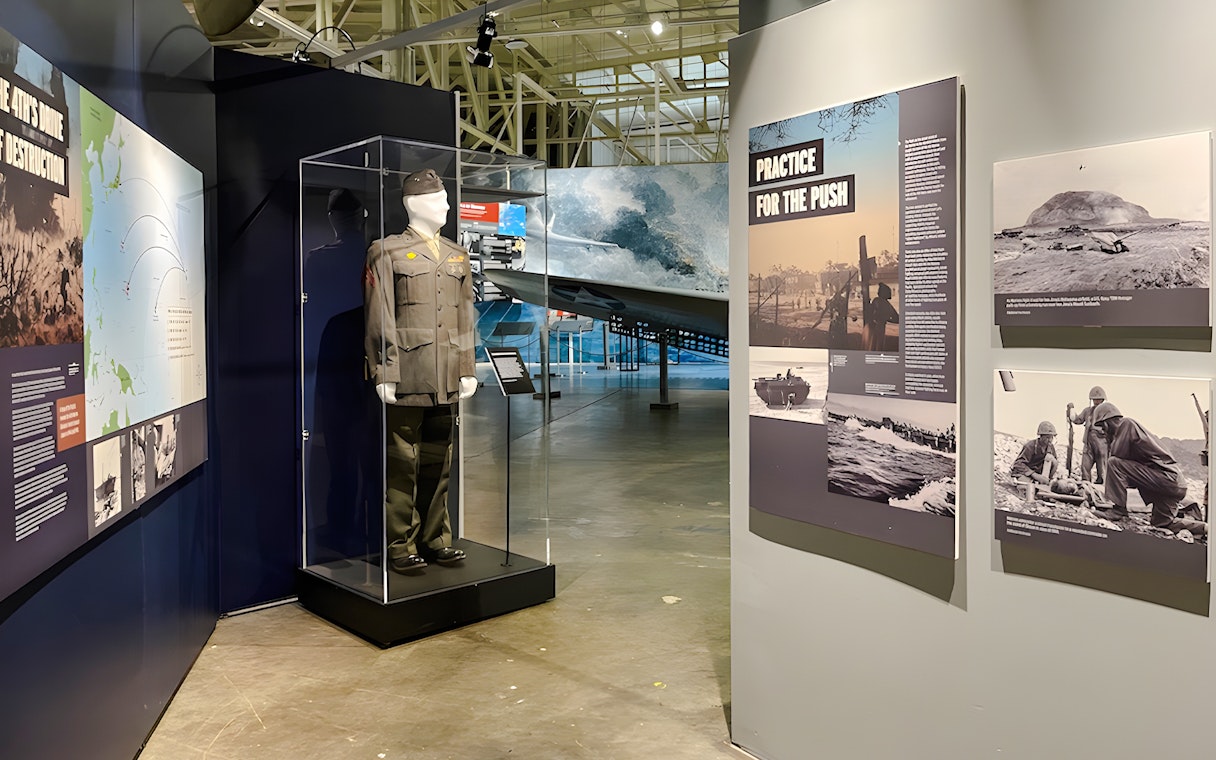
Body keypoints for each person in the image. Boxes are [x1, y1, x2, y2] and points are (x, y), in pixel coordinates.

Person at [364, 168, 477, 573]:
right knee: (402, 463)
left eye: (445, 198)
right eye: (437, 199)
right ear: (413, 204)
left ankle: (435, 540)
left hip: (446, 376)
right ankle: (399, 545)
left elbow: (466, 317)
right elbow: (381, 316)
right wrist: (383, 372)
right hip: (407, 374)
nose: (446, 205)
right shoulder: (387, 251)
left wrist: (467, 367)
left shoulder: (456, 254)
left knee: (439, 462)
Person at [1091, 401, 1207, 535]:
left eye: (1102, 426)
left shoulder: (1126, 424)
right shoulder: (1129, 431)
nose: (1103, 431)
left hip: (1166, 478)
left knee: (1114, 463)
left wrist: (1109, 440)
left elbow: (1116, 459)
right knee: (1162, 523)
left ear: (1107, 422)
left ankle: (1118, 510)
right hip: (1174, 485)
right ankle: (1206, 528)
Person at [1067, 385, 1109, 484]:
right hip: (1088, 444)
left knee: (1102, 470)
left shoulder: (1107, 412)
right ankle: (1086, 490)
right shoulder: (1087, 411)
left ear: (1102, 400)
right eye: (1094, 399)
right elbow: (1077, 420)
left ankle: (1102, 492)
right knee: (1085, 468)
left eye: (1098, 399)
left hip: (1102, 445)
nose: (1096, 401)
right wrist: (1071, 411)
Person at [862, 281, 899, 351]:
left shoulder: (877, 300)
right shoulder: (887, 305)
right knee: (877, 346)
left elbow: (870, 311)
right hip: (879, 327)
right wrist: (886, 319)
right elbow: (897, 319)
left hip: (871, 326)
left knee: (870, 346)